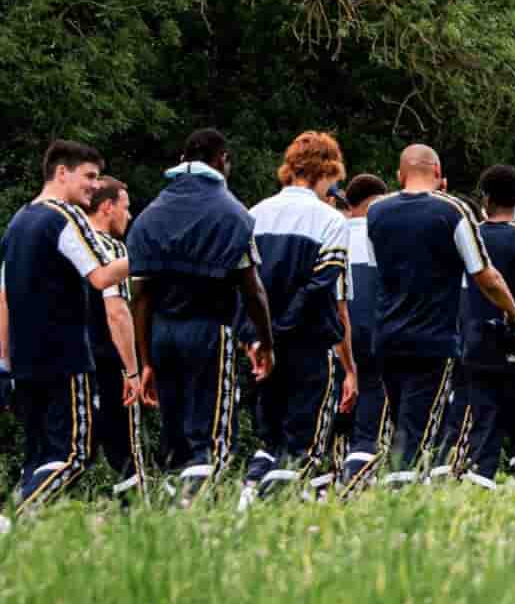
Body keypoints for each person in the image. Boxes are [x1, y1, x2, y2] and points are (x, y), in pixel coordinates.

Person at [366, 144, 515, 485]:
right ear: (439, 173)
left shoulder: (376, 212)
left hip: (386, 338)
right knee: (420, 433)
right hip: (433, 339)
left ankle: (396, 488)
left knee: (402, 425)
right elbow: (485, 275)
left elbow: (374, 273)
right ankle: (402, 499)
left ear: (400, 174)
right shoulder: (453, 211)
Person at [127, 129, 274, 503]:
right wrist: (265, 341)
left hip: (161, 334)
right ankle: (191, 516)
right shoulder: (232, 214)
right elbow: (253, 290)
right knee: (209, 441)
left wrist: (145, 361)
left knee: (175, 438)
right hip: (210, 331)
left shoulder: (149, 215)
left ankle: (172, 516)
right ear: (222, 159)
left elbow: (139, 297)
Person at [0, 141, 133, 512]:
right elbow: (102, 276)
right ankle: (20, 515)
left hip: (26, 364)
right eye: (89, 176)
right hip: (65, 359)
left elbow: (3, 298)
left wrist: (4, 362)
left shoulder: (18, 220)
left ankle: (20, 539)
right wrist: (149, 255)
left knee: (39, 456)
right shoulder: (64, 217)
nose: (94, 185)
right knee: (75, 453)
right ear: (62, 173)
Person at [238, 133, 358, 505]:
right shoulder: (331, 221)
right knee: (303, 437)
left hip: (263, 343)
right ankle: (272, 505)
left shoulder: (253, 214)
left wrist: (256, 339)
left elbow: (242, 284)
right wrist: (280, 333)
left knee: (270, 435)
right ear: (328, 170)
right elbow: (319, 287)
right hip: (308, 342)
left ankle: (249, 497)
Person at [445, 165, 515, 487]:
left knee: (483, 429)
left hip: (477, 347)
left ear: (486, 198)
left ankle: (480, 483)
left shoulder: (470, 235)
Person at [86, 176, 148, 499]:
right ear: (108, 207)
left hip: (72, 361)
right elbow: (118, 312)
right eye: (126, 207)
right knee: (127, 452)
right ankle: (137, 522)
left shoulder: (66, 244)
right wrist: (133, 371)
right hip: (110, 363)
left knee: (74, 448)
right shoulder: (111, 249)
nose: (130, 215)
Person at [337, 173, 389, 490]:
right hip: (374, 338)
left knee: (331, 418)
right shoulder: (383, 237)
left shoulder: (333, 230)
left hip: (333, 338)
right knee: (368, 424)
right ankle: (355, 482)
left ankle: (320, 484)